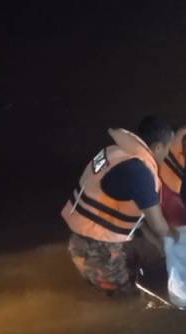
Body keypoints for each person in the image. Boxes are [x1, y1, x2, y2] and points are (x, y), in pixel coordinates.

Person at [61, 115, 175, 293]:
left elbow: (130, 210)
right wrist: (177, 245)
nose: (168, 155)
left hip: (81, 238)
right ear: (158, 147)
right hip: (99, 248)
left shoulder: (115, 152)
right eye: (168, 149)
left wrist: (157, 244)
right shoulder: (140, 173)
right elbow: (159, 226)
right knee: (123, 299)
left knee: (143, 261)